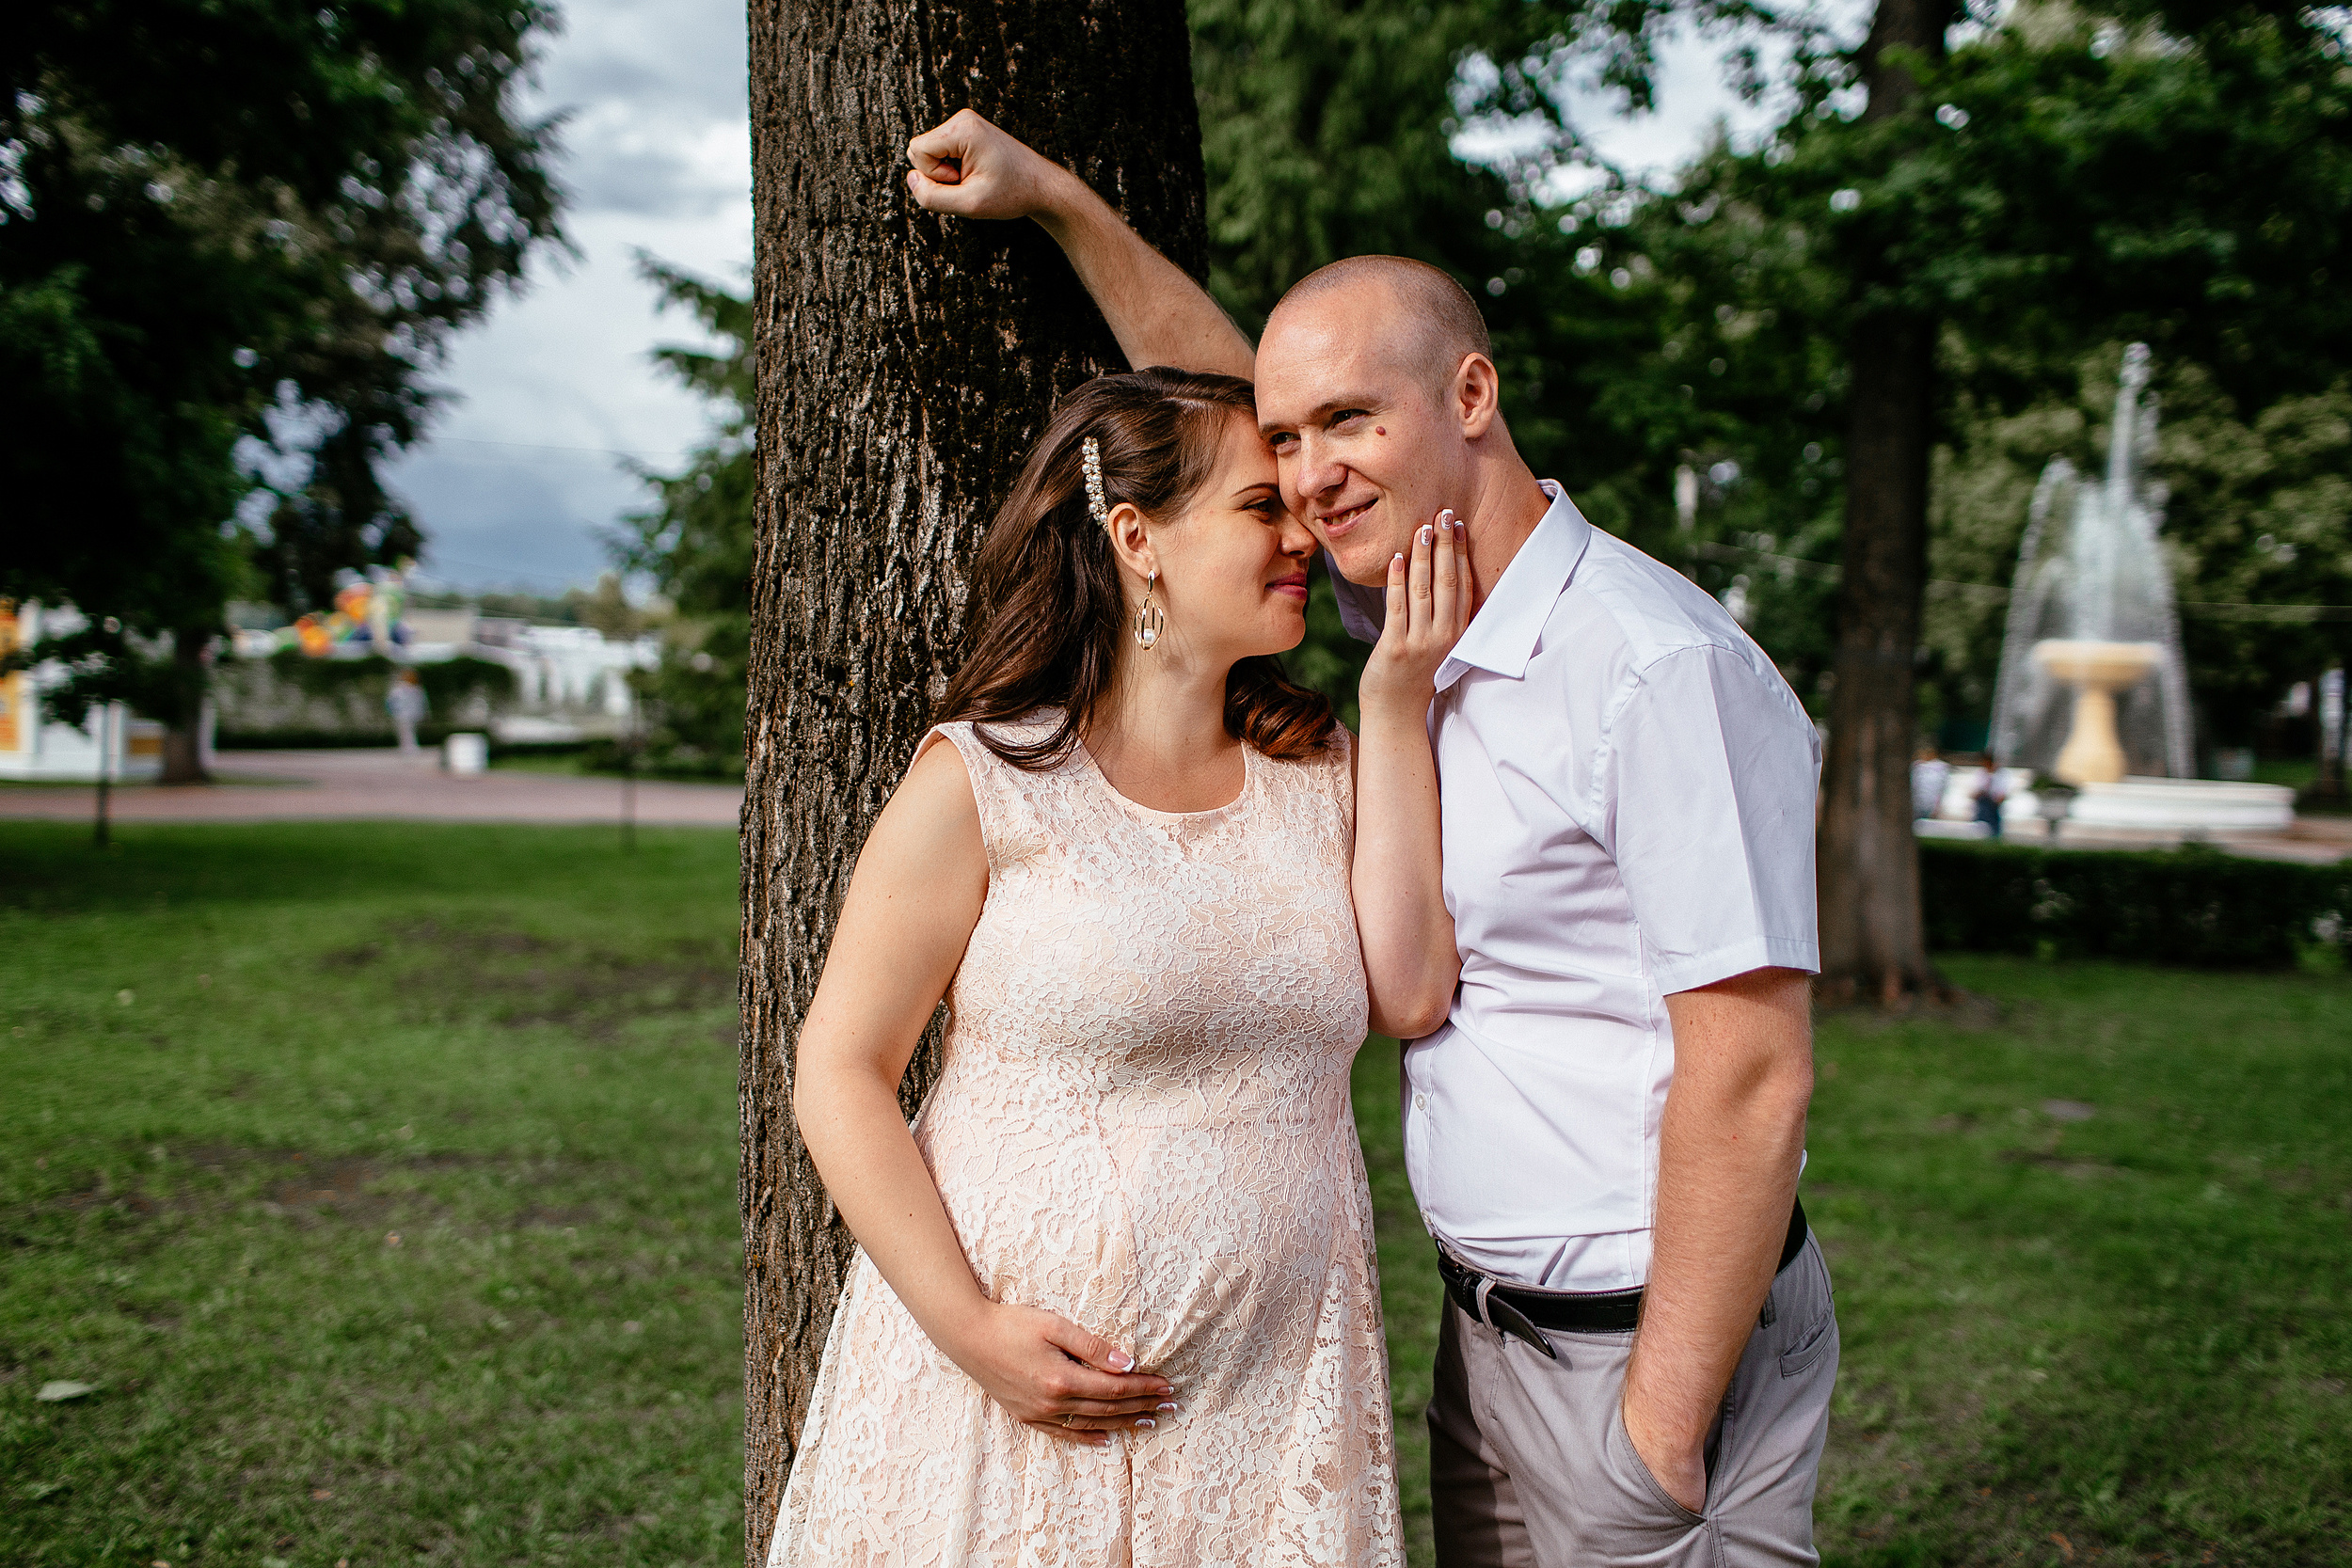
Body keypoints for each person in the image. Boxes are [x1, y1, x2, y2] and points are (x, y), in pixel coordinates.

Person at [907, 111, 1836, 1568]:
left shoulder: (1656, 672)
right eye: (1291, 442)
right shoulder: (1421, 607)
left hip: (1646, 1348)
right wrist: (1060, 205)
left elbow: (1754, 1067)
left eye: (1354, 420)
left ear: (1472, 393)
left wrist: (1656, 1433)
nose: (1311, 472)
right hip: (1489, 1335)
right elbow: (1227, 420)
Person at [769, 366, 1471, 1566]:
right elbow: (837, 1068)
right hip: (1015, 1400)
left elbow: (1410, 994)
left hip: (1273, 1403)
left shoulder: (1329, 773)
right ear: (1138, 537)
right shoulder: (985, 779)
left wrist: (1395, 702)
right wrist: (973, 1327)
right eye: (1261, 505)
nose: (1304, 532)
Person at [387, 668, 427, 755]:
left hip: (409, 714)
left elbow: (420, 703)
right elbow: (392, 701)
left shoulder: (414, 689)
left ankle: (410, 748)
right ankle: (408, 749)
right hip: (403, 714)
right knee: (406, 732)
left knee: (408, 732)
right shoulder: (401, 689)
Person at [1973, 755, 2009, 839]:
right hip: (1983, 801)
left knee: (1994, 825)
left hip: (1994, 803)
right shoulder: (1981, 773)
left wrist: (1999, 798)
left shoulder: (2002, 774)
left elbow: (2003, 790)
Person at [1912, 747, 1951, 820]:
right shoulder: (1917, 766)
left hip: (1931, 802)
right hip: (1918, 802)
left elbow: (1942, 788)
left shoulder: (1940, 768)